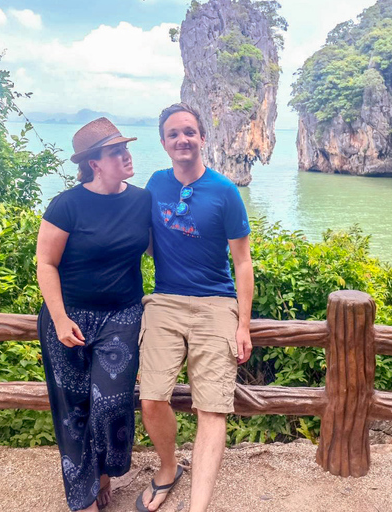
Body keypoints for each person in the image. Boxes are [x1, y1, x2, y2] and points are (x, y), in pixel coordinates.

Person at [136, 103, 254, 512]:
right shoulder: (154, 184)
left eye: (189, 131)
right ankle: (168, 469)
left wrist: (243, 324)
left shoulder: (225, 191)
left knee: (212, 407)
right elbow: (144, 241)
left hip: (216, 304)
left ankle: (198, 507)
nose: (182, 139)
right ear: (164, 143)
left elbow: (242, 261)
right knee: (151, 398)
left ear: (203, 137)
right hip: (164, 301)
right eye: (173, 134)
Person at [36, 118, 151, 511]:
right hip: (67, 317)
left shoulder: (141, 201)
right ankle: (83, 495)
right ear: (94, 163)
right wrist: (59, 317)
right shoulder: (66, 205)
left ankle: (104, 475)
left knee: (112, 403)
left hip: (121, 315)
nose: (125, 154)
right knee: (73, 409)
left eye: (125, 147)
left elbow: (159, 248)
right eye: (115, 150)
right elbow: (46, 263)